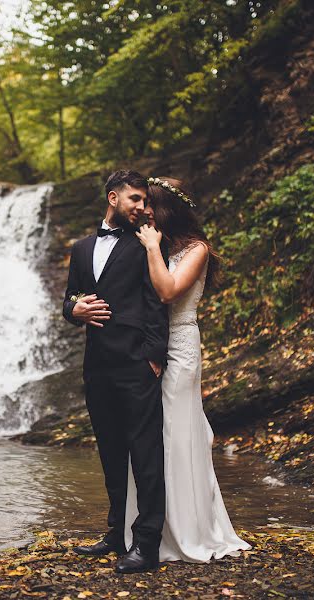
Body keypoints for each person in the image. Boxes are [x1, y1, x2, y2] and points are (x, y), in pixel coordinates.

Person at [124, 176, 251, 562]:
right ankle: (148, 529)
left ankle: (189, 530)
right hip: (154, 345)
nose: (145, 210)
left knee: (178, 432)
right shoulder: (159, 243)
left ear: (168, 208)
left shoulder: (197, 249)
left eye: (151, 204)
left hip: (180, 345)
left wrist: (150, 248)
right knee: (151, 435)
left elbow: (167, 292)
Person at [62, 170, 169, 574]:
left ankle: (146, 544)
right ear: (113, 197)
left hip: (136, 362)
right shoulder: (81, 247)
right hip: (98, 366)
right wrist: (74, 309)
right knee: (110, 453)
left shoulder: (144, 243)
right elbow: (69, 297)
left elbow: (157, 299)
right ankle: (115, 533)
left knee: (145, 454)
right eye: (136, 199)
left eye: (144, 201)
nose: (143, 207)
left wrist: (154, 354)